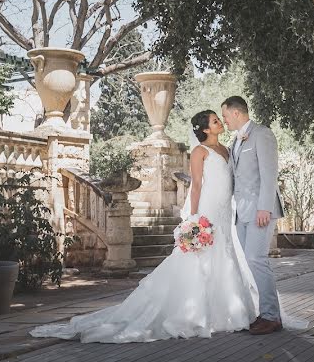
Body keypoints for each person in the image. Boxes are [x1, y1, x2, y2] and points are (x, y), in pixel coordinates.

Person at [29, 110, 258, 343]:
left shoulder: (227, 150)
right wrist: (194, 217)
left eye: (219, 120)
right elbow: (196, 185)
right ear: (206, 129)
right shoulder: (200, 152)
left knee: (225, 253)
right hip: (207, 209)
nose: (220, 122)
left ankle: (229, 310)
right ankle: (198, 312)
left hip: (225, 210)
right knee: (201, 256)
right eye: (215, 121)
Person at [221, 95, 286, 335]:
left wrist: (264, 208)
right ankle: (264, 313)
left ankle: (272, 317)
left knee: (257, 259)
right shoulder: (235, 141)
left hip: (260, 210)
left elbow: (269, 175)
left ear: (236, 113)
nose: (225, 120)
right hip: (242, 212)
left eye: (226, 116)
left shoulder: (262, 134)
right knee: (250, 262)